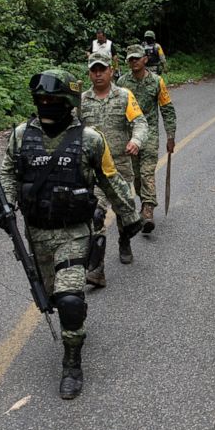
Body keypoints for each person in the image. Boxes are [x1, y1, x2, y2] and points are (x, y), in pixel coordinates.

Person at [0, 68, 141, 399]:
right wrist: (5, 205)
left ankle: (72, 362)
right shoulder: (21, 135)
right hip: (37, 233)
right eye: (41, 100)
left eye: (53, 99)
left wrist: (130, 215)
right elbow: (8, 172)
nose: (47, 104)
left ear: (68, 102)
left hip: (74, 231)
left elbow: (111, 178)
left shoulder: (90, 139)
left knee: (71, 300)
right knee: (50, 298)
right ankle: (68, 316)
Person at [80, 52, 148, 283]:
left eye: (102, 69)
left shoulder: (124, 96)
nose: (98, 74)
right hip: (93, 171)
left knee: (124, 215)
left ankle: (124, 240)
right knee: (96, 215)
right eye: (94, 70)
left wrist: (136, 141)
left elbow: (139, 123)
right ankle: (96, 269)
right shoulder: (82, 101)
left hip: (119, 167)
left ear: (111, 71)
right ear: (89, 73)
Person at [117, 45, 178, 233]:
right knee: (135, 176)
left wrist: (170, 135)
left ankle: (148, 210)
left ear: (145, 59)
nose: (134, 62)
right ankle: (144, 204)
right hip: (130, 136)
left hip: (150, 134)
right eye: (130, 59)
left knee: (147, 173)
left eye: (137, 58)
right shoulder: (122, 82)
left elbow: (167, 109)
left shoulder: (157, 82)